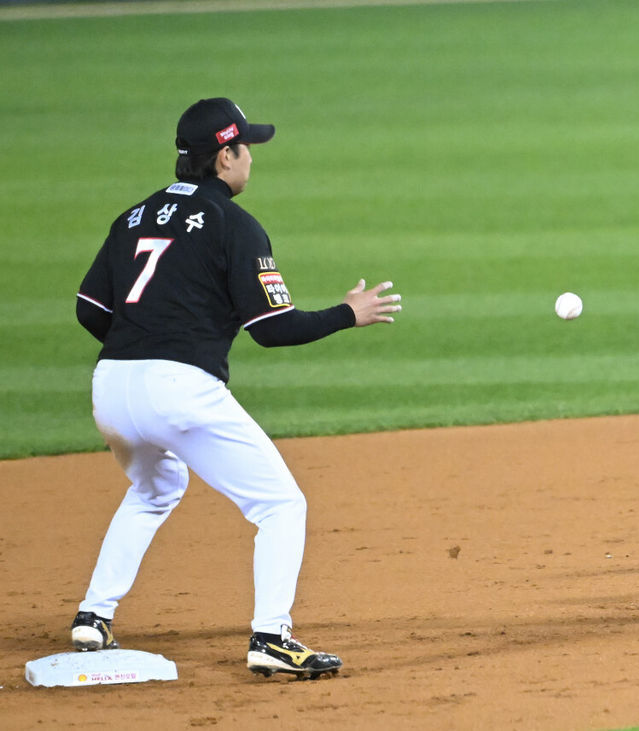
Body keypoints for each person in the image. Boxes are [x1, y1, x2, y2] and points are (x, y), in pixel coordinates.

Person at [73, 97, 402, 676]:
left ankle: (92, 616)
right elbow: (274, 330)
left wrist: (145, 337)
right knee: (280, 504)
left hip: (110, 386)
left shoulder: (131, 217)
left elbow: (90, 310)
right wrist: (348, 314)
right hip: (179, 389)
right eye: (246, 146)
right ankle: (272, 639)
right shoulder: (235, 225)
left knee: (155, 486)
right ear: (224, 156)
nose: (251, 157)